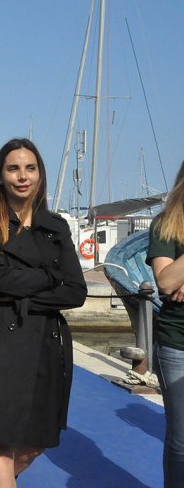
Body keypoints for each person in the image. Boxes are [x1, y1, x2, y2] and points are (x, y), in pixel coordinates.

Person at [0, 138, 87, 488]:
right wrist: (50, 278)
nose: (22, 176)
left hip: (43, 344)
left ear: (40, 175)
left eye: (30, 168)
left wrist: (27, 296)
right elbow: (0, 279)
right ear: (0, 176)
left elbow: (76, 290)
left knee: (36, 443)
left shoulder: (56, 226)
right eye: (13, 168)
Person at [148, 160, 184, 488]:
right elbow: (166, 282)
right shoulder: (165, 225)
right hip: (178, 343)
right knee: (182, 439)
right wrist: (176, 277)